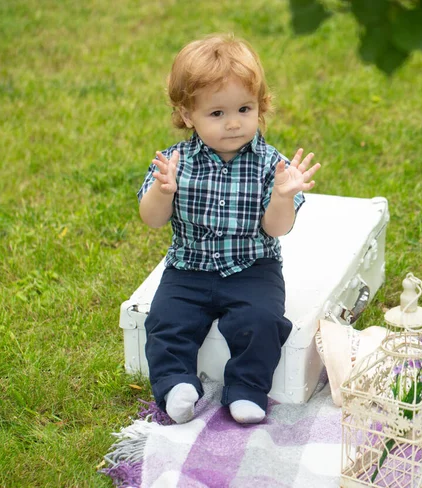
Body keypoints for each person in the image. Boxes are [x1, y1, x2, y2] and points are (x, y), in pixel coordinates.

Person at [137, 34, 320, 424]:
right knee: (166, 320)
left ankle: (247, 390)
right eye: (216, 114)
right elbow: (152, 219)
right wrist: (162, 191)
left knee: (262, 322)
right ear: (188, 115)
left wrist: (283, 197)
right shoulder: (173, 163)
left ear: (260, 106)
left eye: (244, 108)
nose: (234, 123)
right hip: (189, 266)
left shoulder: (274, 166)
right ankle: (176, 384)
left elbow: (276, 229)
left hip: (252, 267)